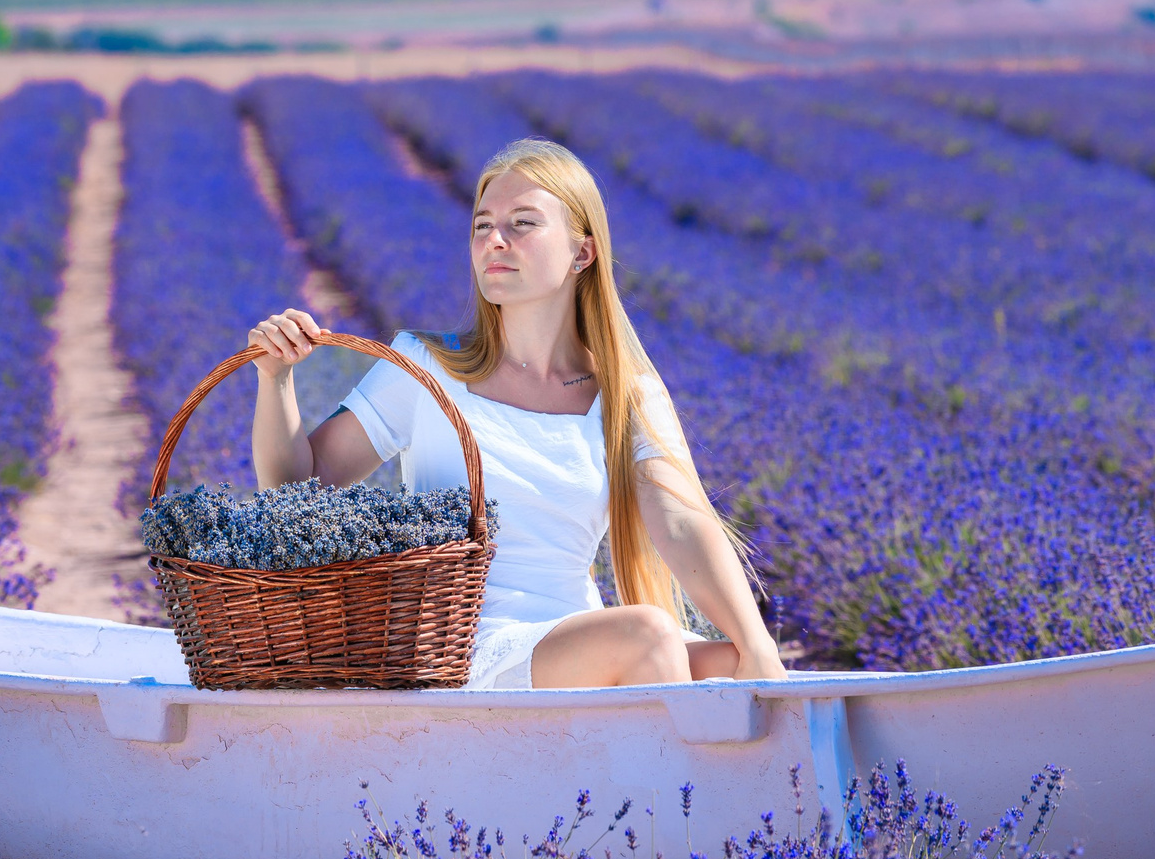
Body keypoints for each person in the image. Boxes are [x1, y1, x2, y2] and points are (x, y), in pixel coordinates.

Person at [247, 137, 787, 691]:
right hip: (456, 645)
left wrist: (759, 650)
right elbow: (295, 486)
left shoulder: (628, 393)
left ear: (582, 252)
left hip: (574, 635)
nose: (494, 241)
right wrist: (276, 378)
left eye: (523, 223)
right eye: (482, 226)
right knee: (651, 635)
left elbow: (683, 523)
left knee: (731, 663)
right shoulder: (426, 365)